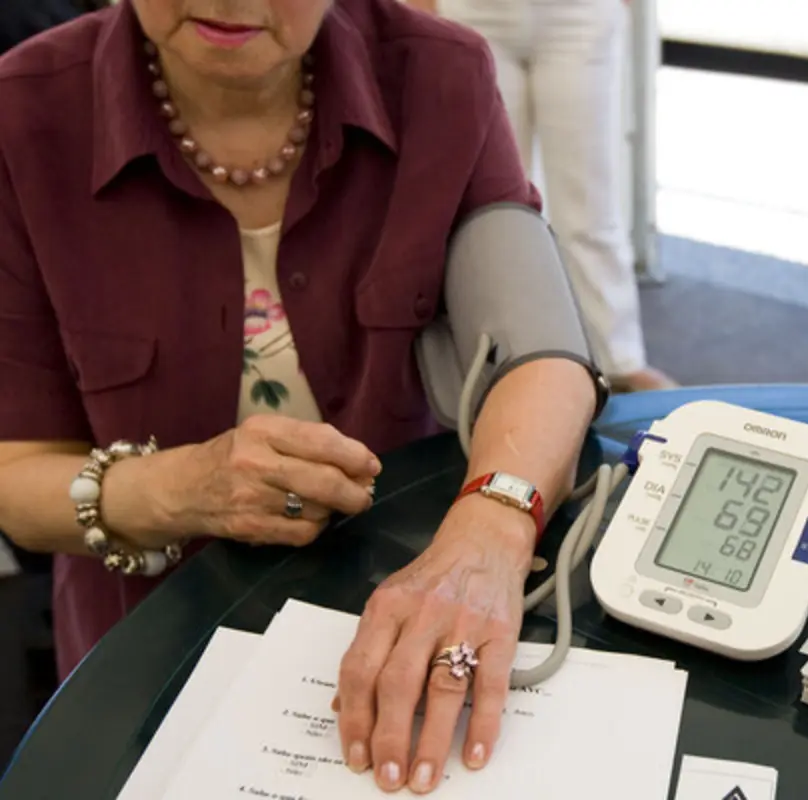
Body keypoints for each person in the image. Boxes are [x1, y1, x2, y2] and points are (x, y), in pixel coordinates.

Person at [0, 0, 605, 794]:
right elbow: (18, 474)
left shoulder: (438, 73)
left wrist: (488, 530)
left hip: (419, 588)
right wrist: (184, 488)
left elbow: (545, 356)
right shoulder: (23, 112)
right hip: (149, 633)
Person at [410, 0, 676, 393]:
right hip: (470, 11)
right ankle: (503, 364)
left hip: (578, 12)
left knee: (589, 202)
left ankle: (619, 361)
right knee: (487, 208)